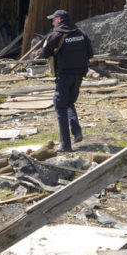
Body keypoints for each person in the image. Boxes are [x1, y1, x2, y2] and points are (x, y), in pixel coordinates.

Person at [40, 9, 93, 152]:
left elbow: (44, 53)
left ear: (59, 20)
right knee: (69, 102)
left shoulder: (55, 35)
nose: (52, 22)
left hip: (64, 76)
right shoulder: (82, 34)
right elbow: (90, 53)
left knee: (61, 107)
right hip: (79, 76)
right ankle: (77, 131)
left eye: (53, 20)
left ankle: (65, 145)